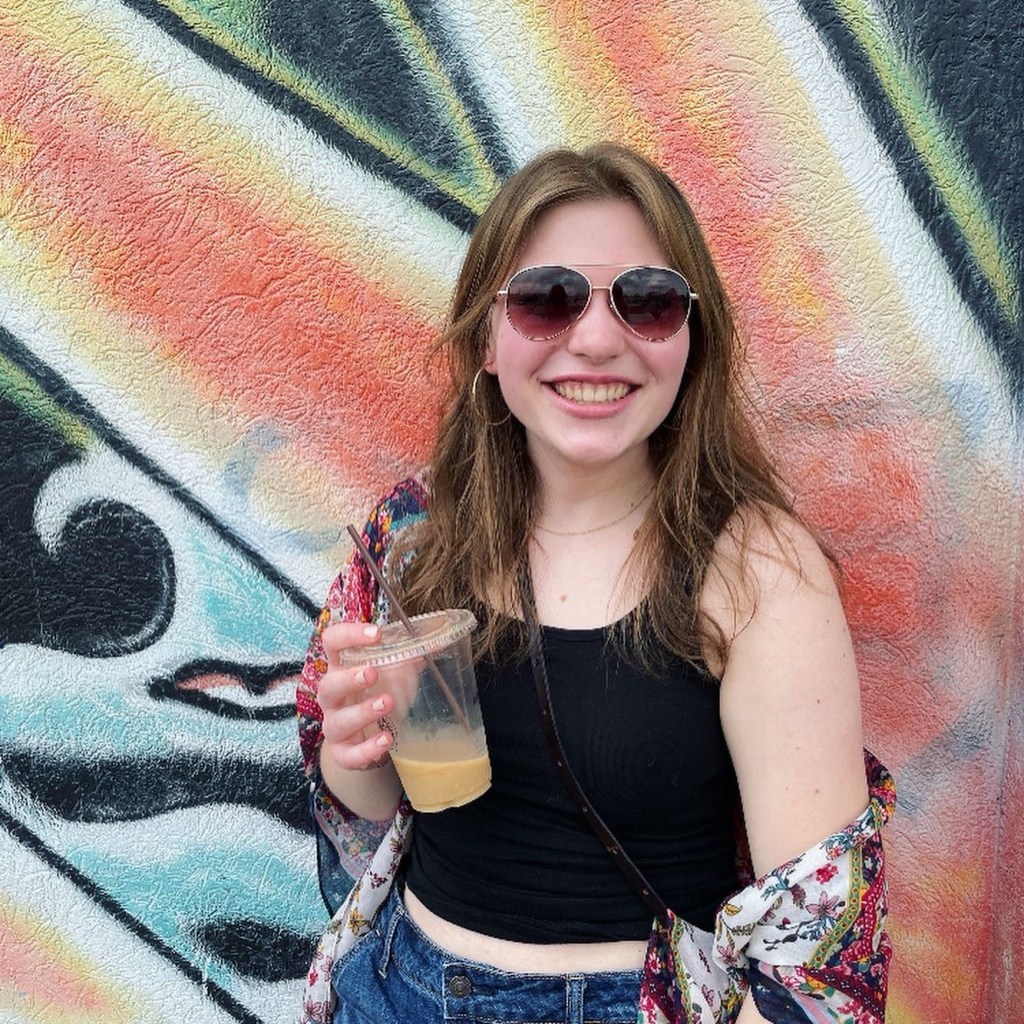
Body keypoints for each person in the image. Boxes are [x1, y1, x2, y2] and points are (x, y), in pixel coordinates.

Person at [296, 143, 894, 1024]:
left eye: (647, 301)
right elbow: (366, 821)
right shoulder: (414, 535)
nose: (599, 339)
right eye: (547, 299)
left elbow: (816, 966)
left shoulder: (759, 571)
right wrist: (355, 752)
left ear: (691, 338)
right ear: (487, 338)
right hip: (393, 990)